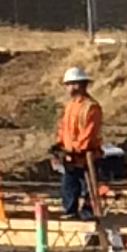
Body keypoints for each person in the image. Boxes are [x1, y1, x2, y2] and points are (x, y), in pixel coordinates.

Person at [52, 66, 103, 217]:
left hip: (86, 157)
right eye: (68, 84)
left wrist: (76, 148)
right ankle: (71, 212)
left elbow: (89, 133)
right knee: (69, 187)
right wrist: (59, 145)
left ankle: (89, 214)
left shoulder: (91, 107)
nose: (69, 88)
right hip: (71, 157)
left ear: (81, 85)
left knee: (89, 188)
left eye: (72, 84)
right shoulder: (70, 106)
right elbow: (64, 127)